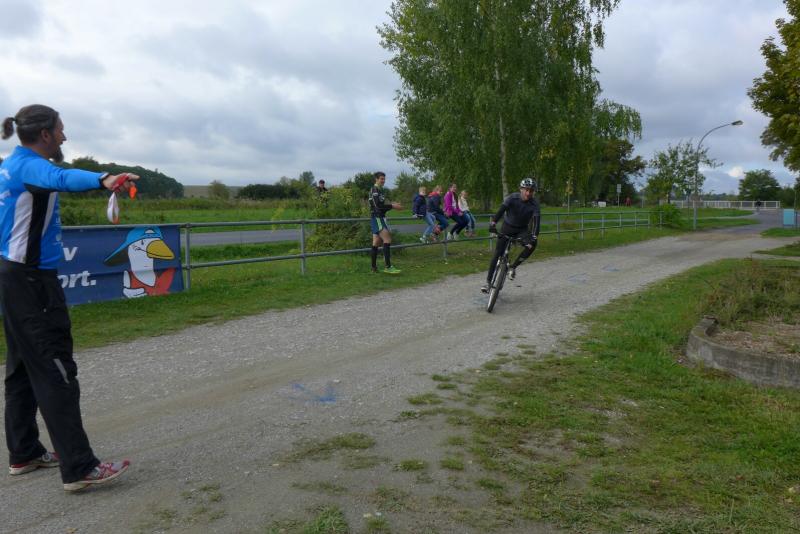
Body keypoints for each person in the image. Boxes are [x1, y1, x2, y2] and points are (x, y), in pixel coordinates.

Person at [0, 104, 135, 491]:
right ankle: (79, 467)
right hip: (31, 280)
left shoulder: (10, 165)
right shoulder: (30, 167)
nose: (64, 135)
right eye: (60, 129)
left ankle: (24, 452)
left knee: (22, 368)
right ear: (44, 134)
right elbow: (60, 176)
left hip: (13, 275)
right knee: (55, 369)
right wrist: (105, 179)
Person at [482, 178, 541, 293]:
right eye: (526, 190)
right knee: (497, 253)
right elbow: (501, 211)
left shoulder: (534, 204)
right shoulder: (512, 198)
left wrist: (534, 237)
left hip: (522, 230)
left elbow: (536, 223)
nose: (528, 193)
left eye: (531, 191)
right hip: (507, 227)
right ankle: (488, 283)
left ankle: (513, 267)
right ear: (521, 189)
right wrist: (493, 223)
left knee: (532, 245)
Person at [368, 171, 402, 274]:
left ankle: (373, 268)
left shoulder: (380, 190)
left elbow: (382, 207)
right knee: (387, 239)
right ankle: (388, 267)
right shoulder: (374, 190)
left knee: (376, 242)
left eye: (384, 179)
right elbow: (378, 206)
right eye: (381, 179)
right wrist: (392, 206)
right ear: (376, 179)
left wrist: (392, 205)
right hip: (377, 218)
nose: (383, 181)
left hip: (380, 217)